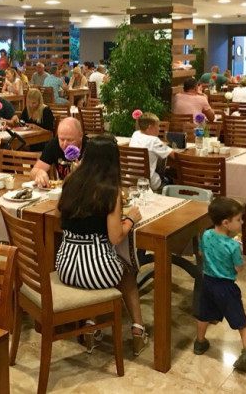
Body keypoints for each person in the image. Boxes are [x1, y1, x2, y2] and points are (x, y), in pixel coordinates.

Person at [55, 135, 148, 356]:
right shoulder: (110, 190)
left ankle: (91, 325)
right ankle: (138, 330)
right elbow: (115, 237)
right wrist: (130, 219)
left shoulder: (70, 182)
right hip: (96, 270)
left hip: (65, 266)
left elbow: (58, 215)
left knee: (97, 270)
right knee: (128, 274)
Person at [193, 197, 246, 373]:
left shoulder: (206, 235)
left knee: (203, 315)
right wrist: (238, 250)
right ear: (226, 223)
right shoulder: (232, 246)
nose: (242, 223)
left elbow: (201, 253)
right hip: (226, 287)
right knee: (241, 321)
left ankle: (200, 342)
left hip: (208, 283)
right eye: (239, 219)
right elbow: (238, 268)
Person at [31, 117, 89, 185]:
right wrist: (39, 173)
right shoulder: (54, 144)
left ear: (80, 136)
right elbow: (33, 172)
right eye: (61, 139)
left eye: (70, 140)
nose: (65, 144)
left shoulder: (90, 147)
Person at [129, 112, 172, 191]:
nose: (159, 129)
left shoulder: (135, 134)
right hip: (148, 183)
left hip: (131, 180)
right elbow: (173, 155)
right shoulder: (154, 140)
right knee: (170, 179)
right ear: (150, 128)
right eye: (158, 126)